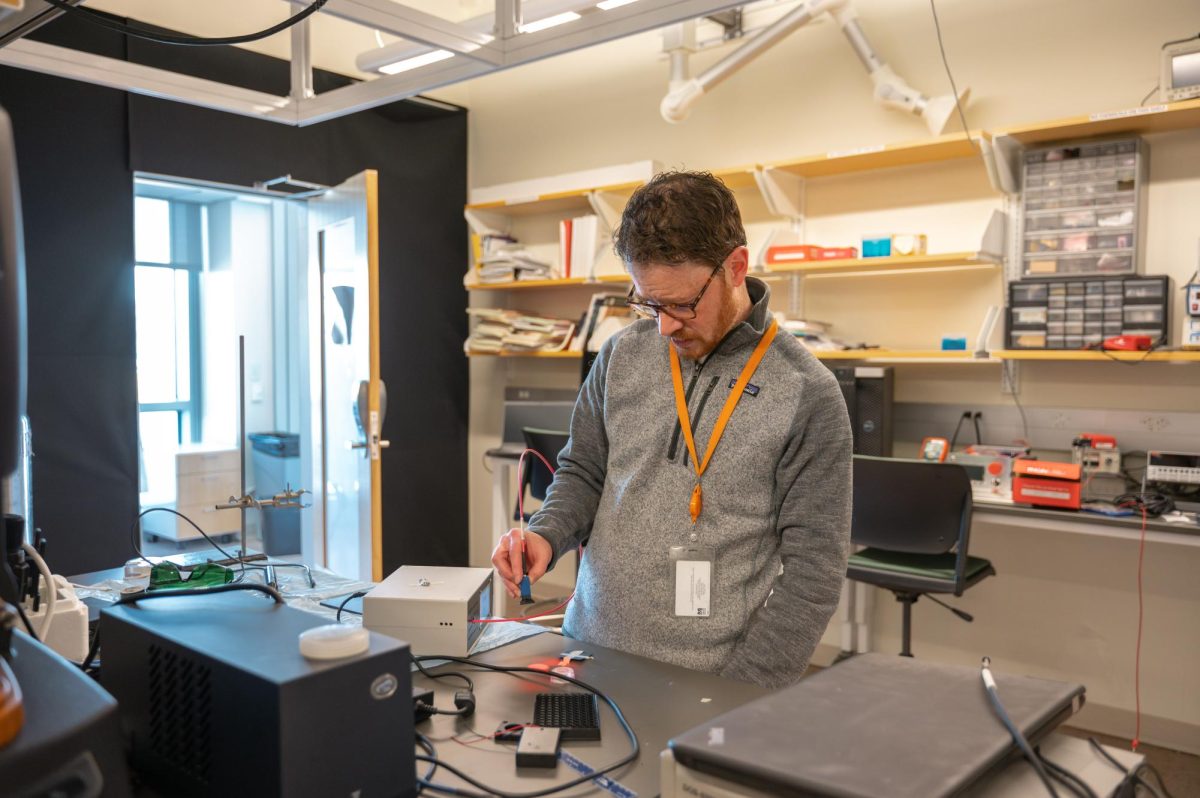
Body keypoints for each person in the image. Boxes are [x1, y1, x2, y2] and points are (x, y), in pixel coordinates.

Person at [492, 171, 853, 688]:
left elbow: (813, 574)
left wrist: (739, 692)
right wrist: (547, 536)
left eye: (681, 304)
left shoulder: (806, 393)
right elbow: (584, 472)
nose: (663, 327)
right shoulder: (622, 354)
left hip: (707, 682)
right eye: (648, 303)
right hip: (587, 651)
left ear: (736, 267)